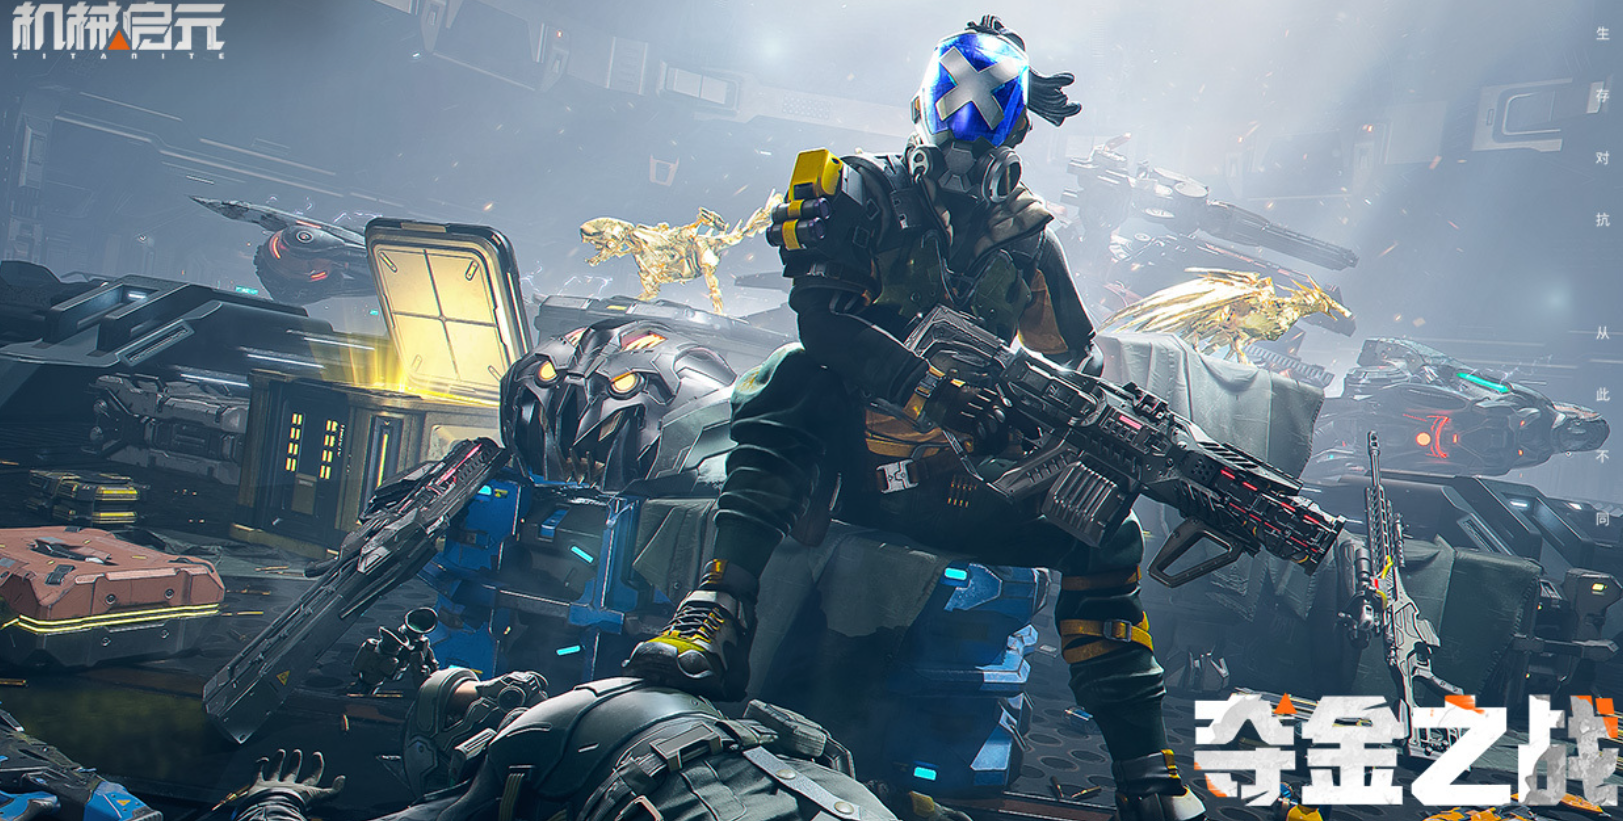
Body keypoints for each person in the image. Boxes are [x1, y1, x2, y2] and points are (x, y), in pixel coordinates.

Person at [626, 16, 1205, 821]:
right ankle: (717, 613)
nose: (963, 162)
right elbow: (823, 324)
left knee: (1104, 529)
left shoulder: (1024, 238)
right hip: (846, 467)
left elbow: (1074, 360)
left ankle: (1145, 773)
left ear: (1014, 135)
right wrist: (932, 391)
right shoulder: (856, 192)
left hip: (953, 479)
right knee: (794, 374)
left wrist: (1064, 424)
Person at [230, 671, 934, 821]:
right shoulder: (519, 757)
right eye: (466, 701)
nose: (502, 687)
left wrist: (272, 806)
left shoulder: (527, 754)